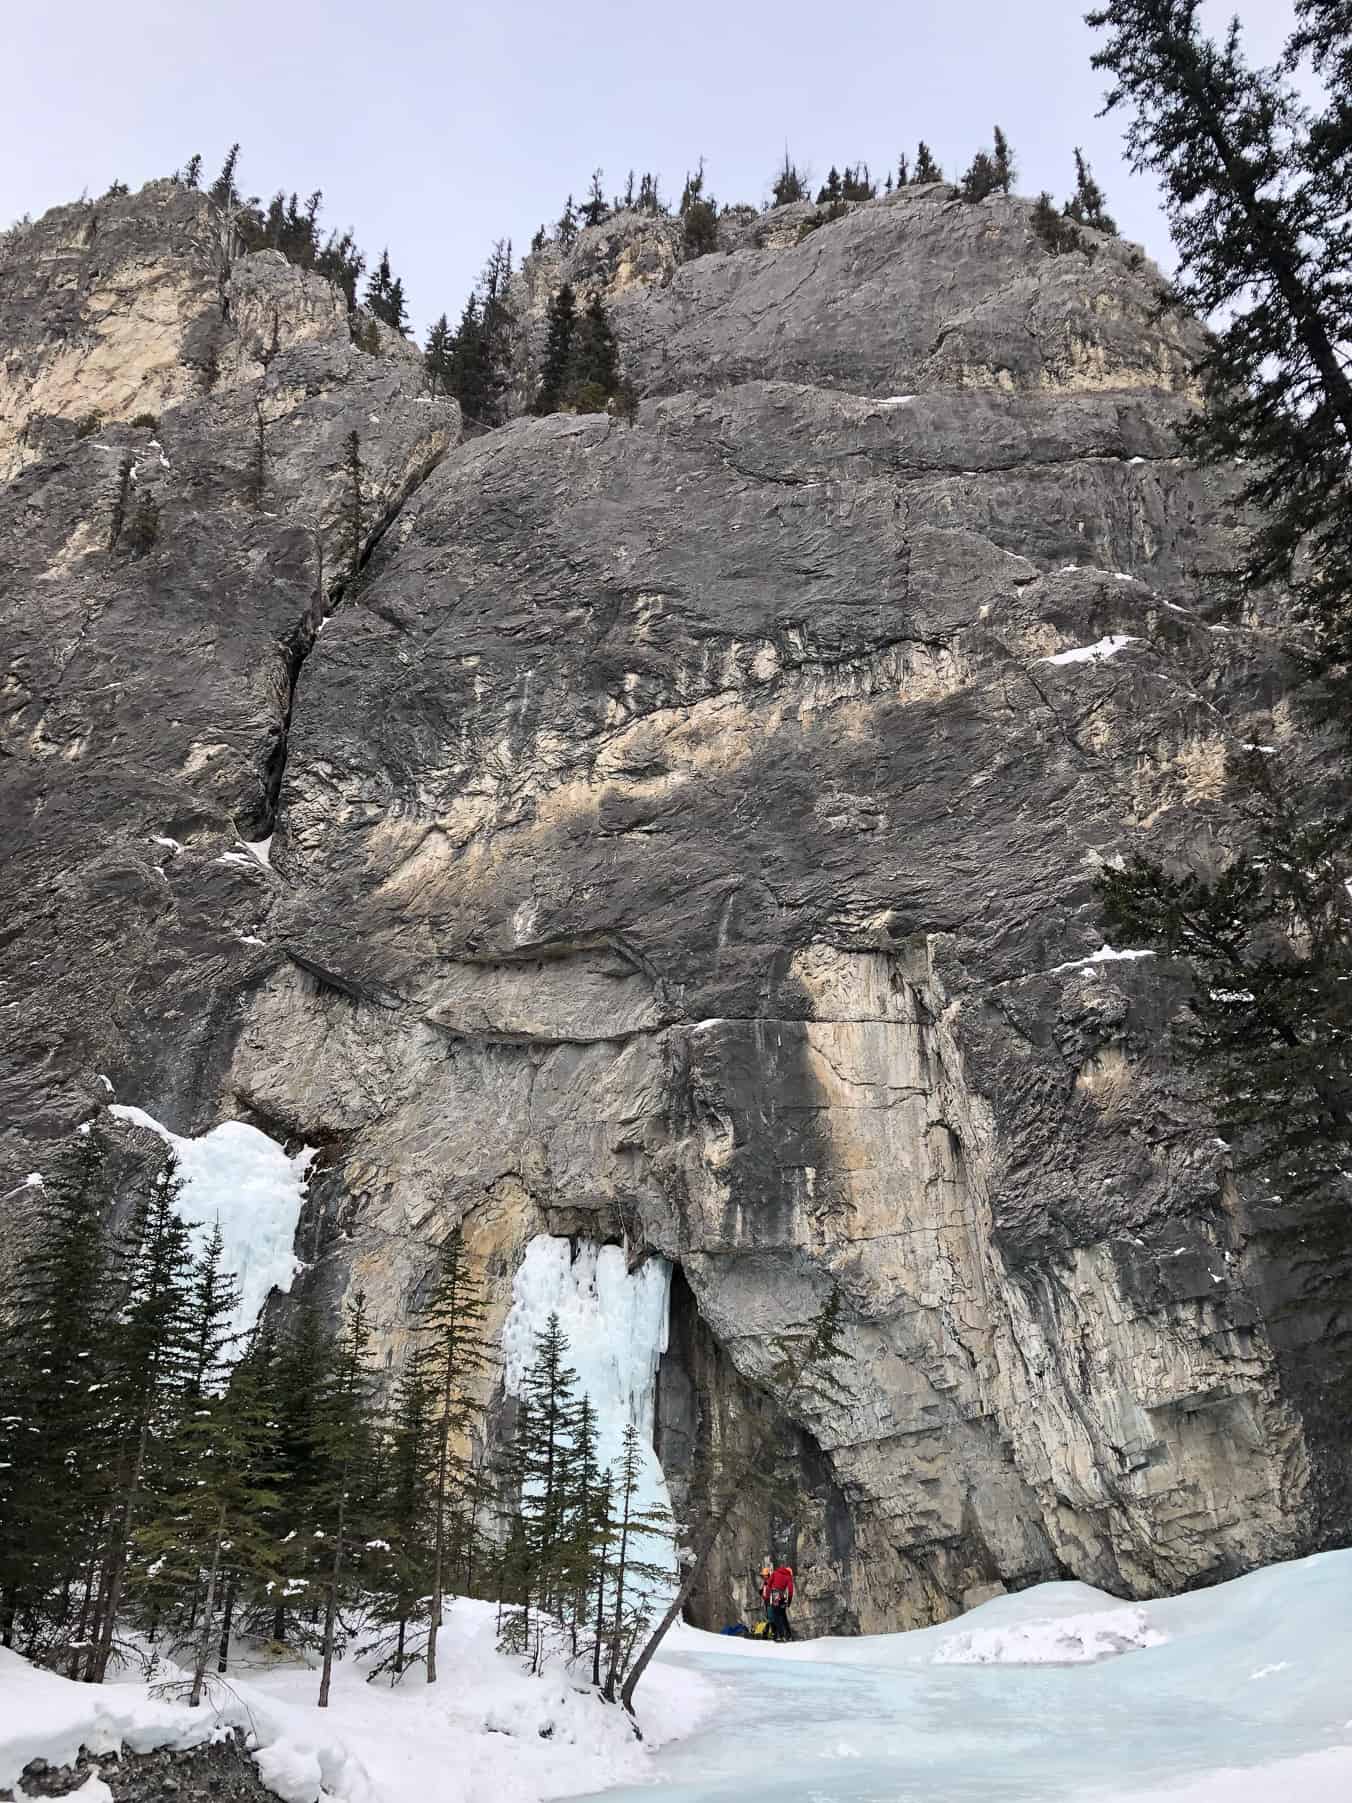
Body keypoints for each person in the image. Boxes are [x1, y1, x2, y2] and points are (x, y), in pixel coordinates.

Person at [766, 1561, 794, 1642]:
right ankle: (788, 1635)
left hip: (775, 1595)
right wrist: (789, 1602)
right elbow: (791, 1591)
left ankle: (781, 1636)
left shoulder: (775, 1573)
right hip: (782, 1596)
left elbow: (768, 1585)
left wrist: (768, 1597)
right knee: (783, 1615)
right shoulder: (788, 1577)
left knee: (776, 1615)